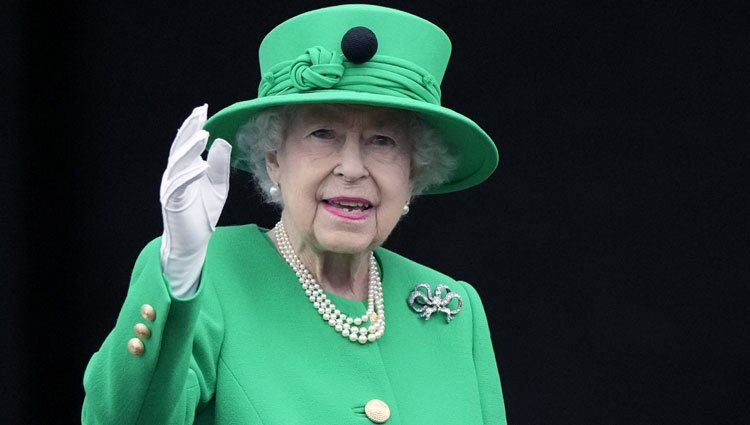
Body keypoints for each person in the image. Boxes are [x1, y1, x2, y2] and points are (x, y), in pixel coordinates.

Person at [81, 4, 506, 424]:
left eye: (382, 141)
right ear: (273, 160)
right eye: (323, 133)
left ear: (413, 172)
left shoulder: (452, 308)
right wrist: (177, 277)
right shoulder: (207, 279)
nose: (353, 168)